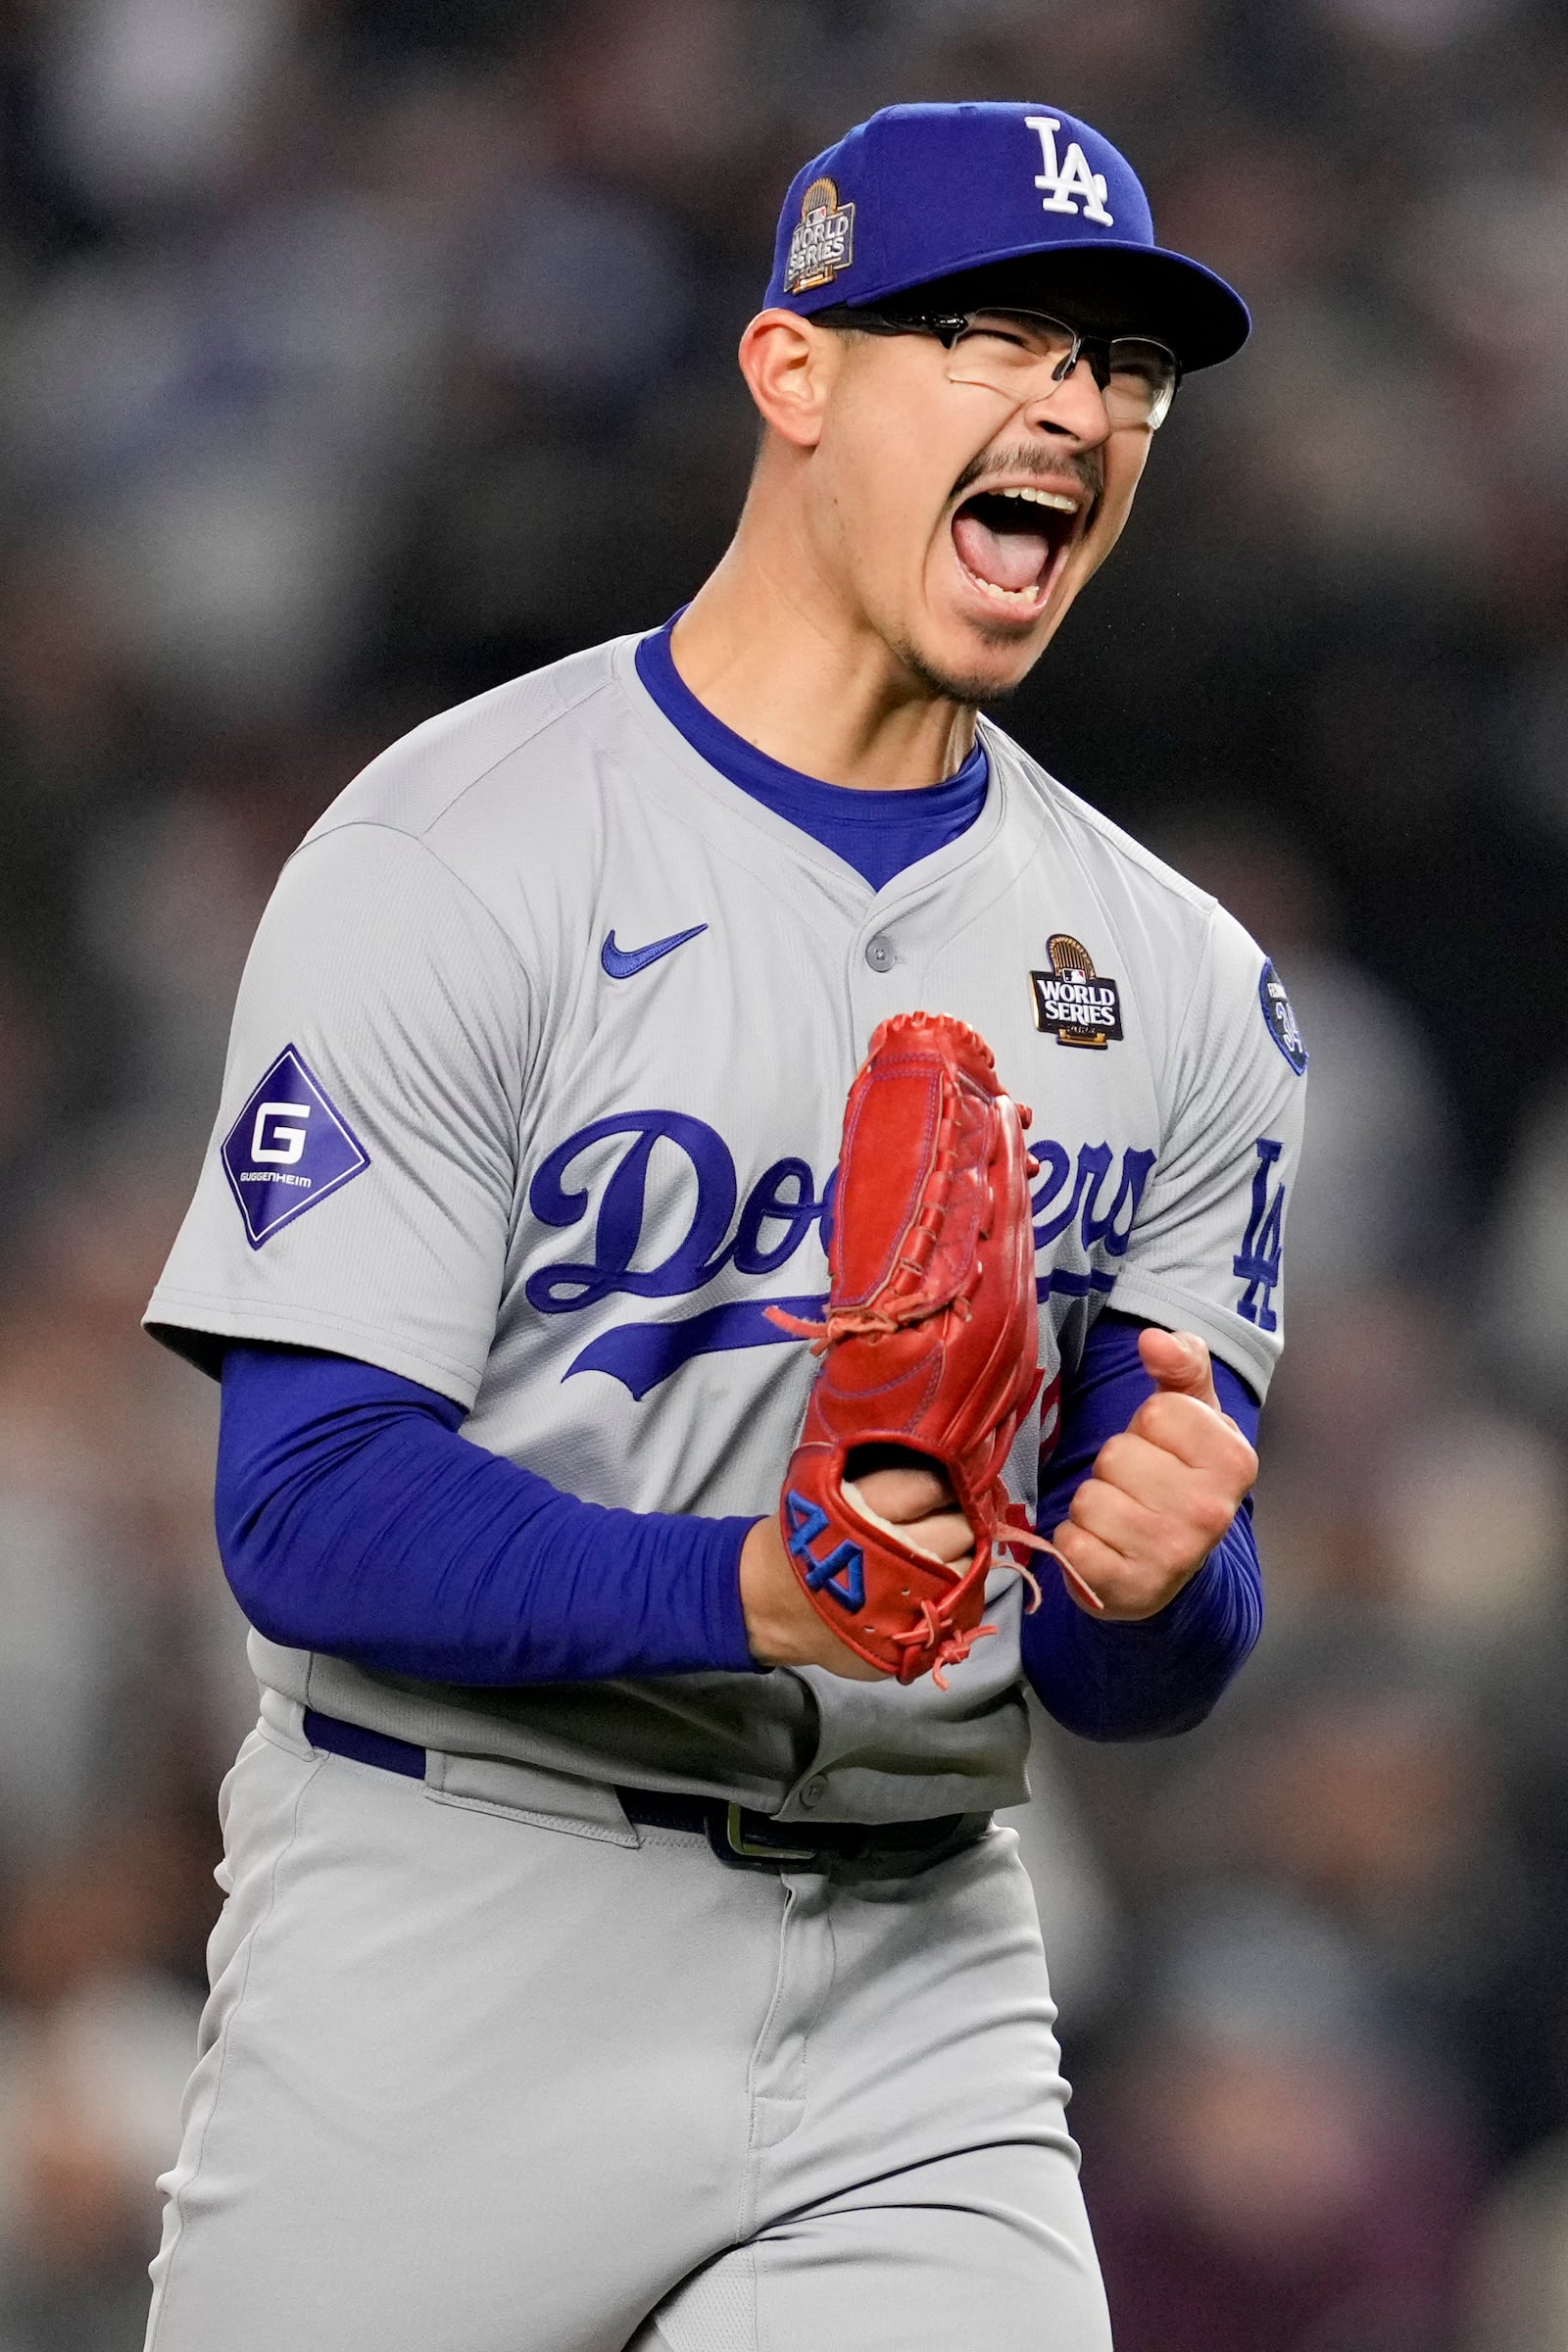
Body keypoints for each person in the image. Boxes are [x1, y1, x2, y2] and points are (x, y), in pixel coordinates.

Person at [140, 100, 1306, 2352]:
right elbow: (298, 1506)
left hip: (915, 1973)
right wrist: (749, 1587)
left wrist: (1166, 1588)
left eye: (1123, 368)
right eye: (989, 334)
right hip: (443, 1945)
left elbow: (1115, 1655)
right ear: (791, 374)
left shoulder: (1176, 984)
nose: (1073, 406)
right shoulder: (456, 853)